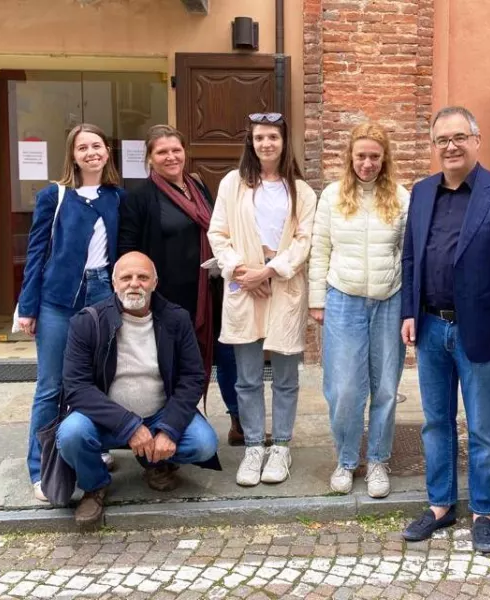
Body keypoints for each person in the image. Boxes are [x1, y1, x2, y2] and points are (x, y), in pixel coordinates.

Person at [399, 106, 490, 553]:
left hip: (479, 330)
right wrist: (408, 312)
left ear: (476, 140)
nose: (451, 146)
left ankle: (483, 510)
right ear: (434, 146)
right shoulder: (420, 193)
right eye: (442, 140)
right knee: (435, 423)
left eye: (460, 137)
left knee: (482, 427)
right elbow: (411, 259)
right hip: (432, 326)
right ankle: (440, 505)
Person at [57, 252, 221, 526]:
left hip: (159, 415)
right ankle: (94, 485)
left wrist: (168, 429)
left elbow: (193, 377)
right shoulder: (87, 322)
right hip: (106, 420)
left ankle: (155, 462)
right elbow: (76, 387)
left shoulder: (176, 319)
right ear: (114, 283)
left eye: (143, 277)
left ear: (155, 283)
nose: (135, 284)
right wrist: (129, 426)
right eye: (127, 277)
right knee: (72, 434)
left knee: (203, 444)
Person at [16, 123, 125, 501]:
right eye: (83, 147)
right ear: (73, 155)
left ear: (107, 151)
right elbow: (36, 255)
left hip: (102, 294)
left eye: (97, 145)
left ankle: (90, 446)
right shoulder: (55, 196)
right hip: (58, 298)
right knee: (51, 386)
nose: (91, 152)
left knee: (96, 381)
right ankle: (41, 468)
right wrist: (27, 307)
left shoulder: (116, 197)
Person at [208, 112, 317, 487]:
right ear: (250, 143)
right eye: (259, 138)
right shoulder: (232, 184)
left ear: (284, 141)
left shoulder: (301, 191)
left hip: (283, 287)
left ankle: (281, 445)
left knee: (285, 375)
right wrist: (241, 271)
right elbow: (218, 233)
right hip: (244, 288)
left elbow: (304, 240)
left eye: (272, 137)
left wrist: (269, 272)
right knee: (248, 377)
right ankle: (254, 444)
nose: (266, 144)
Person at [118, 125, 240, 445]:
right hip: (170, 298)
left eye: (176, 150)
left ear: (185, 152)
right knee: (174, 366)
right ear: (150, 158)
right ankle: (171, 431)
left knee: (227, 357)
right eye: (162, 152)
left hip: (211, 291)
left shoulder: (197, 186)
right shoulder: (140, 196)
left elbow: (217, 229)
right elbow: (128, 249)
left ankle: (238, 421)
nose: (171, 157)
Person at [308, 122, 410, 498]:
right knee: (345, 389)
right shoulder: (333, 196)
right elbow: (320, 249)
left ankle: (379, 461)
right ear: (350, 157)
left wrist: (408, 306)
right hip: (344, 299)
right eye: (361, 156)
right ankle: (347, 459)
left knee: (385, 386)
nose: (367, 163)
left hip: (389, 300)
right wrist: (316, 300)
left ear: (385, 159)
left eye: (374, 156)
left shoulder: (400, 197)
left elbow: (406, 252)